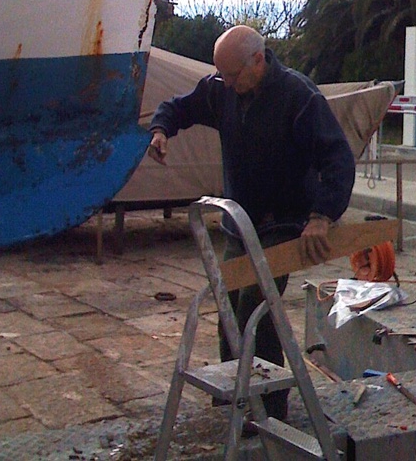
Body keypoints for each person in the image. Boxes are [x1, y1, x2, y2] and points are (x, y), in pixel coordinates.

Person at [148, 25, 355, 422]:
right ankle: (234, 403)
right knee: (228, 311)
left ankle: (268, 410)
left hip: (283, 223)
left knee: (255, 312)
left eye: (232, 75)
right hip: (239, 223)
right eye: (221, 75)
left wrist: (321, 216)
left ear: (258, 60)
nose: (226, 83)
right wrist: (160, 130)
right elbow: (179, 107)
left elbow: (338, 159)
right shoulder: (221, 88)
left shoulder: (299, 96)